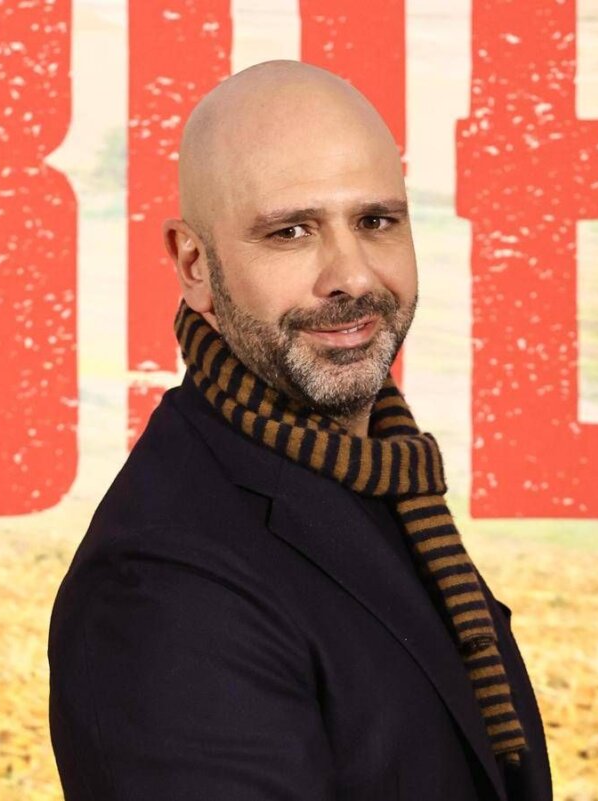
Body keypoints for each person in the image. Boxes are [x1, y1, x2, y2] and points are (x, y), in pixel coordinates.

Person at [48, 59, 552, 801]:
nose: (353, 275)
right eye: (290, 231)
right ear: (195, 264)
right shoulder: (160, 589)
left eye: (376, 222)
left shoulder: (382, 478)